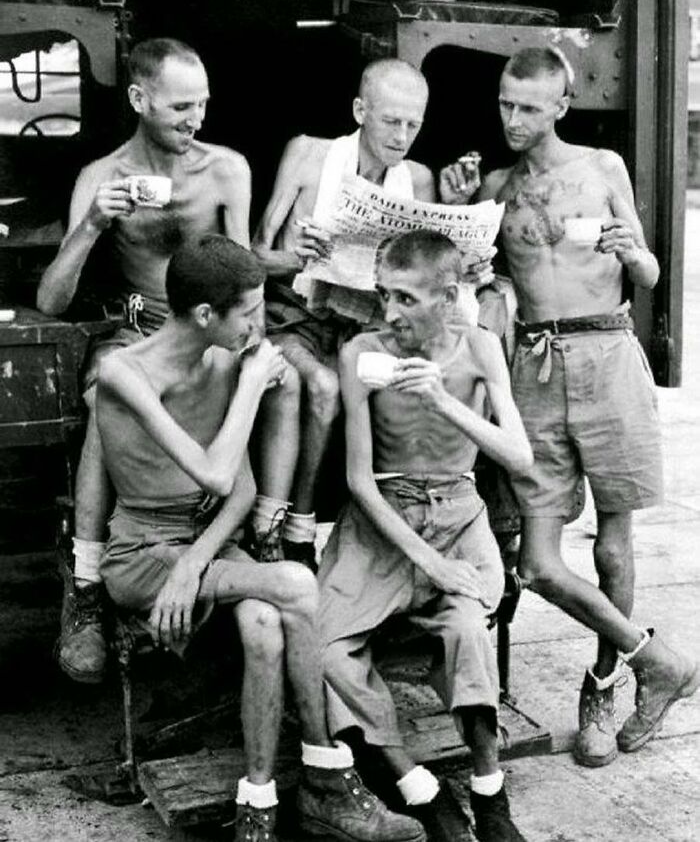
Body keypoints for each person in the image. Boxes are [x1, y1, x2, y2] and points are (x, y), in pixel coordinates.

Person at [96, 233, 427, 842]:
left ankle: (260, 804)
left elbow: (242, 492)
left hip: (204, 549)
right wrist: (252, 386)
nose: (261, 323)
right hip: (141, 554)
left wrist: (194, 565)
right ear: (204, 315)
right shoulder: (124, 372)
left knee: (263, 620)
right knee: (297, 581)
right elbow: (214, 473)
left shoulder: (221, 361)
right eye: (249, 311)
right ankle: (329, 775)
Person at [441, 46, 700, 767]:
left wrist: (631, 250)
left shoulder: (602, 168)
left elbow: (647, 271)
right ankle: (659, 659)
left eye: (529, 106)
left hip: (609, 352)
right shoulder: (495, 184)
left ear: (562, 104)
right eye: (505, 104)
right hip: (536, 361)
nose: (514, 118)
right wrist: (459, 201)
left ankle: (604, 683)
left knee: (615, 547)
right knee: (538, 561)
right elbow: (467, 274)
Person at [36, 38, 298, 684]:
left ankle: (268, 527)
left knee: (292, 383)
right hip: (137, 332)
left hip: (214, 326)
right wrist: (94, 223)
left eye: (202, 105)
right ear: (138, 100)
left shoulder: (227, 168)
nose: (196, 120)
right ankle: (90, 579)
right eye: (182, 107)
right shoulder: (101, 178)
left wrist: (257, 342)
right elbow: (51, 301)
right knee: (105, 393)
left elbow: (242, 281)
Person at [318, 231, 533, 842]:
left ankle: (490, 792)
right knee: (327, 652)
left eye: (407, 300)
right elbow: (359, 480)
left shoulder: (481, 347)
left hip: (459, 512)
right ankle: (418, 785)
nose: (391, 313)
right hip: (383, 517)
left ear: (448, 297)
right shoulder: (362, 352)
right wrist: (427, 565)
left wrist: (442, 400)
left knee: (466, 630)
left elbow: (518, 457)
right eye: (384, 295)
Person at [250, 58, 436, 568]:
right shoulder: (308, 156)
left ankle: (401, 529)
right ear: (360, 110)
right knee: (326, 387)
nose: (402, 136)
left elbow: (426, 277)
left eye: (413, 124)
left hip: (365, 327)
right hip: (294, 320)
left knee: (418, 388)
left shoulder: (416, 179)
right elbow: (254, 256)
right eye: (390, 121)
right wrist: (300, 258)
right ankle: (293, 530)